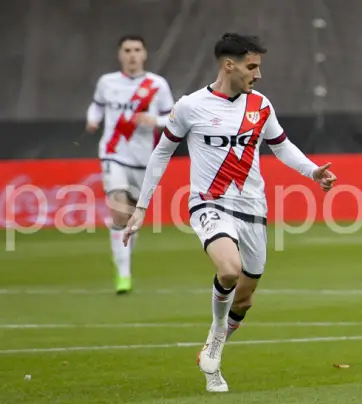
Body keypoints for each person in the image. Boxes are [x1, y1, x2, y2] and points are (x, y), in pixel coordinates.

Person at [122, 33, 337, 393]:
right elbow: (161, 154)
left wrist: (313, 172)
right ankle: (217, 342)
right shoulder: (191, 106)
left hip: (253, 208)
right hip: (209, 202)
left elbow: (281, 147)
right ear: (229, 65)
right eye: (252, 66)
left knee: (246, 296)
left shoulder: (261, 106)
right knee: (229, 269)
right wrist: (142, 207)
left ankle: (214, 339)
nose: (258, 74)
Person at [85, 35, 175, 295]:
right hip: (113, 154)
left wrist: (154, 121)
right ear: (120, 55)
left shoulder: (157, 84)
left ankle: (124, 259)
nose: (132, 55)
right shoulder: (107, 82)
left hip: (143, 159)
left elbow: (172, 118)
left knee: (132, 219)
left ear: (144, 54)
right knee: (119, 210)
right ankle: (123, 275)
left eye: (137, 50)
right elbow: (97, 106)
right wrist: (92, 120)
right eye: (127, 50)